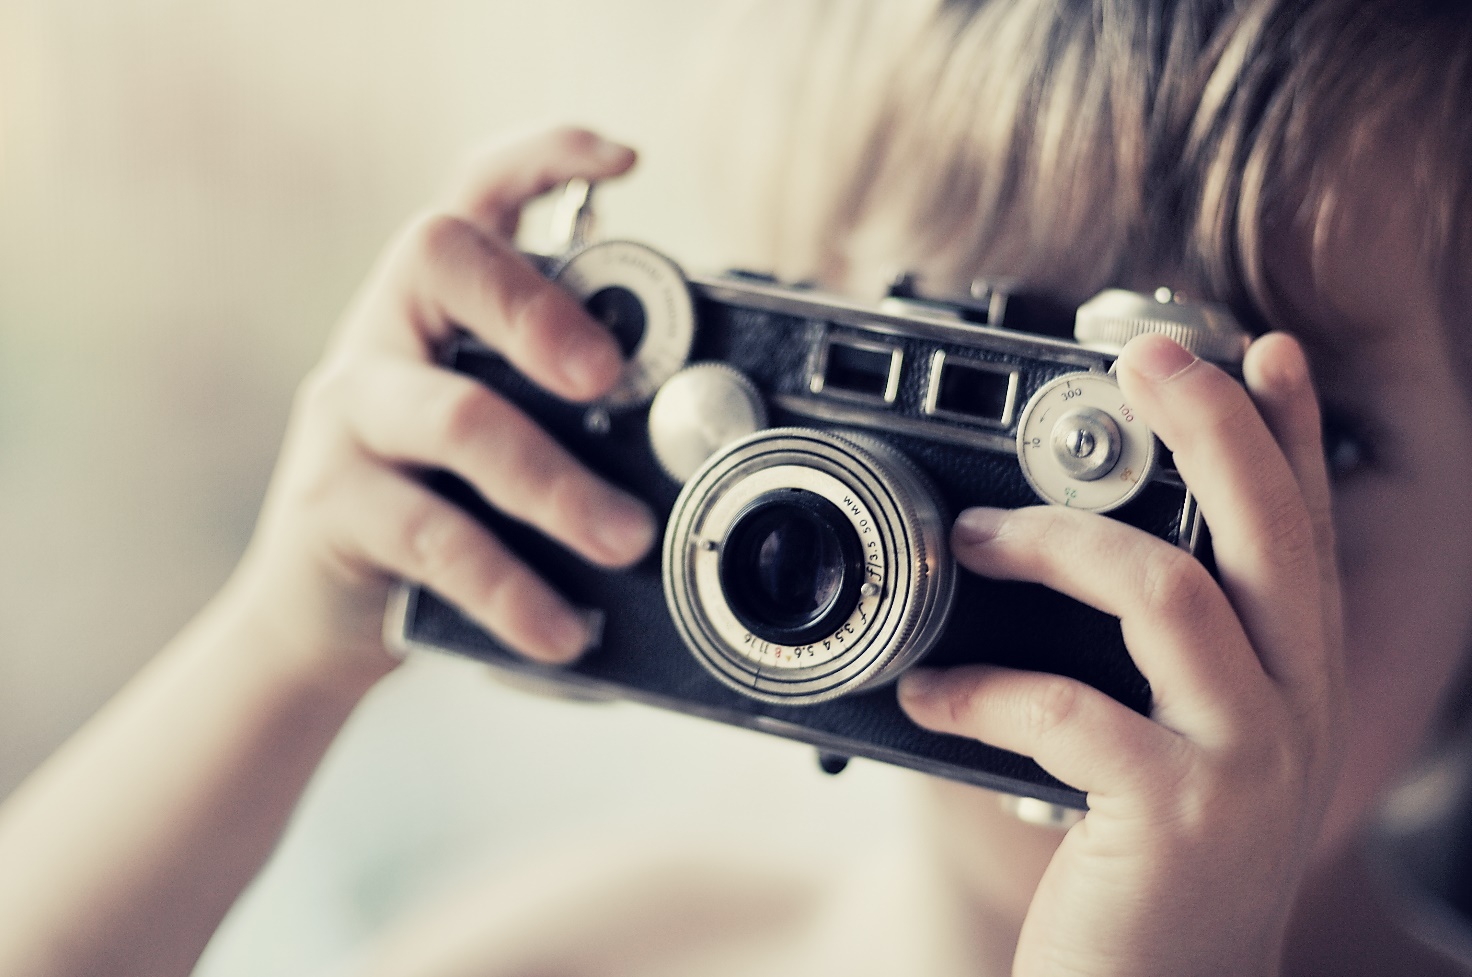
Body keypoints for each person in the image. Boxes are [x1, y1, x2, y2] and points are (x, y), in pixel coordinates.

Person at [1, 0, 1470, 974]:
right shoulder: (586, 950)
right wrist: (278, 657)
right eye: (960, 368)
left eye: (1305, 442)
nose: (1125, 555)